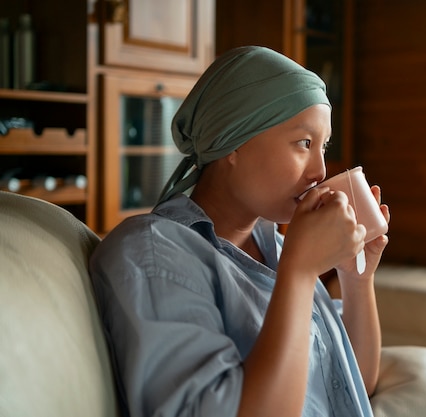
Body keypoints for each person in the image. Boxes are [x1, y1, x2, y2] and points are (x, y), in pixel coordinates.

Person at [89, 45, 390, 417]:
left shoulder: (278, 246)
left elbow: (356, 382)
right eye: (304, 143)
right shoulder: (152, 252)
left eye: (323, 146)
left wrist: (356, 278)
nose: (320, 172)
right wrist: (299, 271)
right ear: (233, 141)